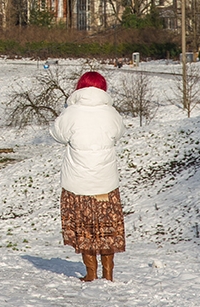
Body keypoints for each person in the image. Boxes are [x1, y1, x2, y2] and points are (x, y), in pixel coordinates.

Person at [50, 70, 125, 282]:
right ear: (103, 88)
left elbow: (56, 134)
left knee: (85, 230)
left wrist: (67, 110)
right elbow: (120, 133)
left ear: (80, 87)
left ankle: (90, 273)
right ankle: (108, 273)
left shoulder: (71, 113)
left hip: (77, 185)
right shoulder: (112, 113)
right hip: (106, 185)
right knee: (107, 230)